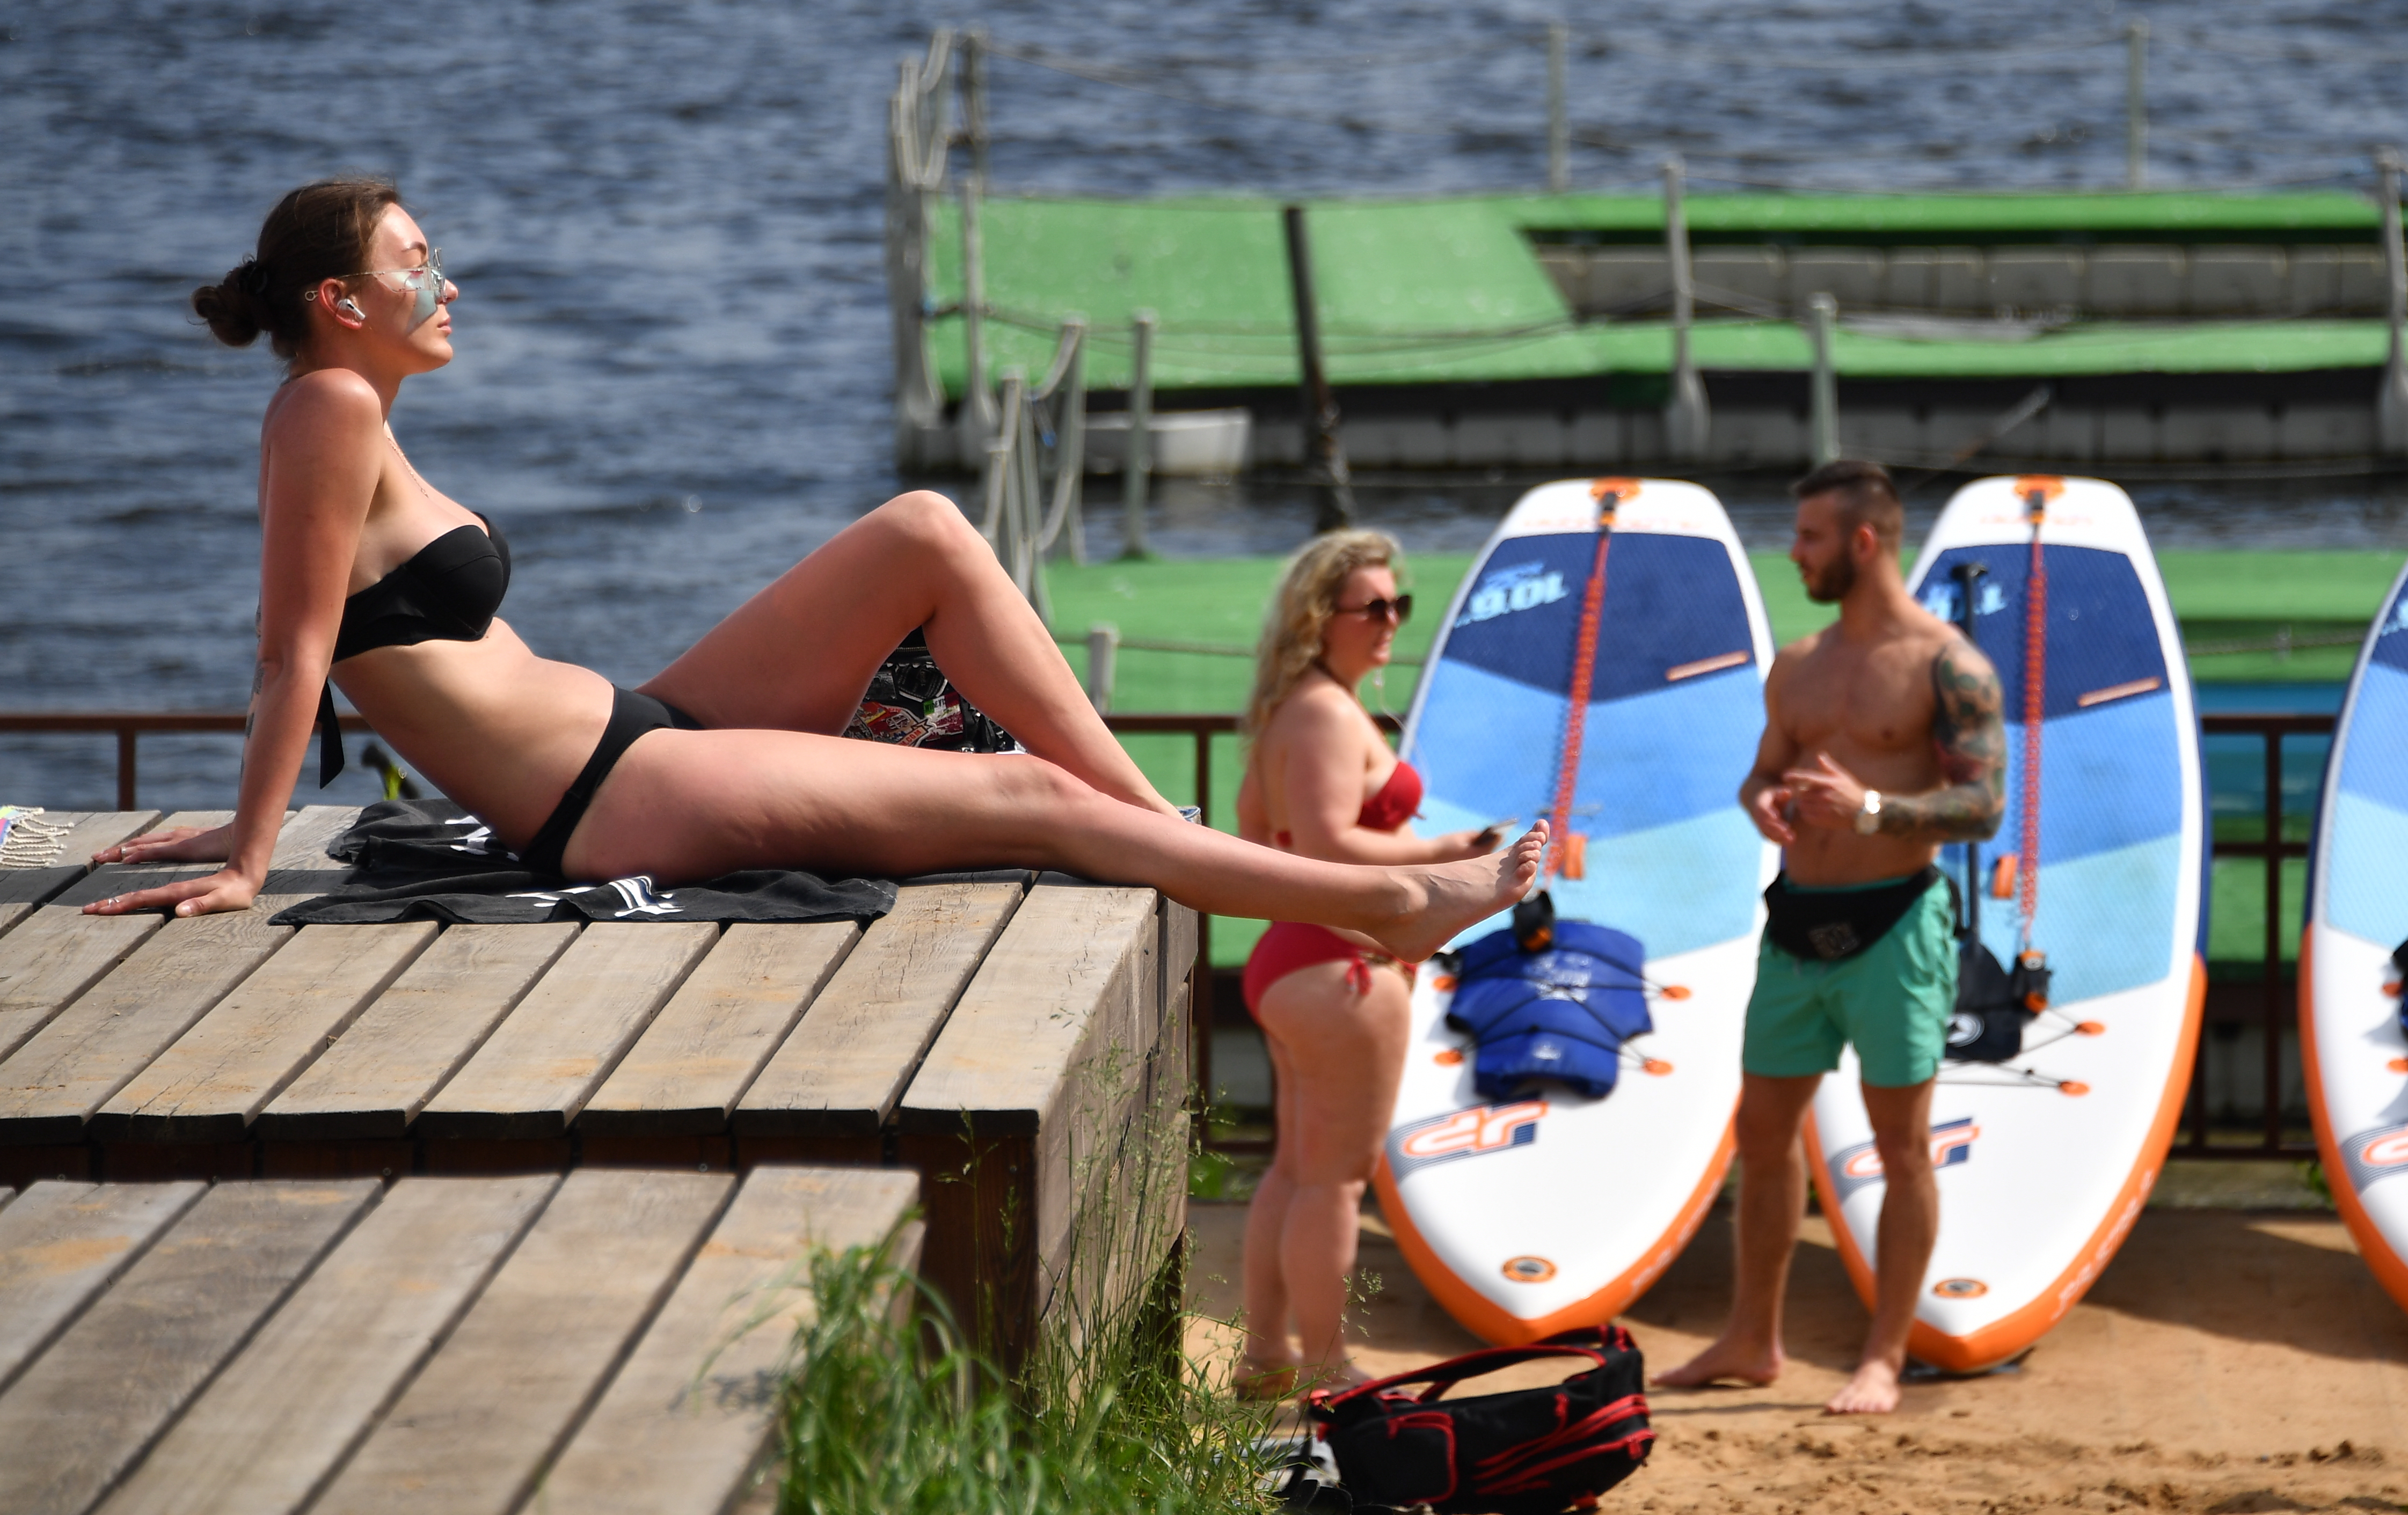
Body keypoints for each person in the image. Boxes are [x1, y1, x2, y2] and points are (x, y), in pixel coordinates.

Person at [89, 177, 1543, 965]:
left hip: (639, 726)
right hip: (603, 804)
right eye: (418, 262)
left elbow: (338, 652)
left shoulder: (347, 412)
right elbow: (296, 650)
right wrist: (248, 851)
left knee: (923, 530)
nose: (447, 279)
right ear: (341, 302)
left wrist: (239, 811)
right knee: (1020, 799)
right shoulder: (331, 409)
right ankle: (1386, 902)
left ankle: (1145, 812)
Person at [1657, 458, 2003, 1416]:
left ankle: (1884, 1356)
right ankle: (1751, 1339)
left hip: (1898, 925)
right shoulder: (1799, 663)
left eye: (1808, 537)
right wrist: (1765, 800)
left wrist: (1872, 808)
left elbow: (1982, 807)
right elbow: (1761, 772)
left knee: (1903, 1148)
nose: (1793, 552)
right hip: (1796, 925)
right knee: (1762, 1135)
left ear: (1864, 542)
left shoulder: (1949, 665)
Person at [1229, 531, 1506, 1395]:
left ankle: (1267, 1357)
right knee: (1337, 1183)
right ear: (1321, 619)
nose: (1391, 621)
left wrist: (1447, 845)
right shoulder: (1322, 710)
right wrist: (1443, 872)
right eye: (1373, 607)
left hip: (1295, 956)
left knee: (1294, 1169)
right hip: (1342, 963)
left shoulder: (1294, 708)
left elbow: (1270, 831)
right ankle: (1327, 1365)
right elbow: (1324, 842)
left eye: (1400, 605)